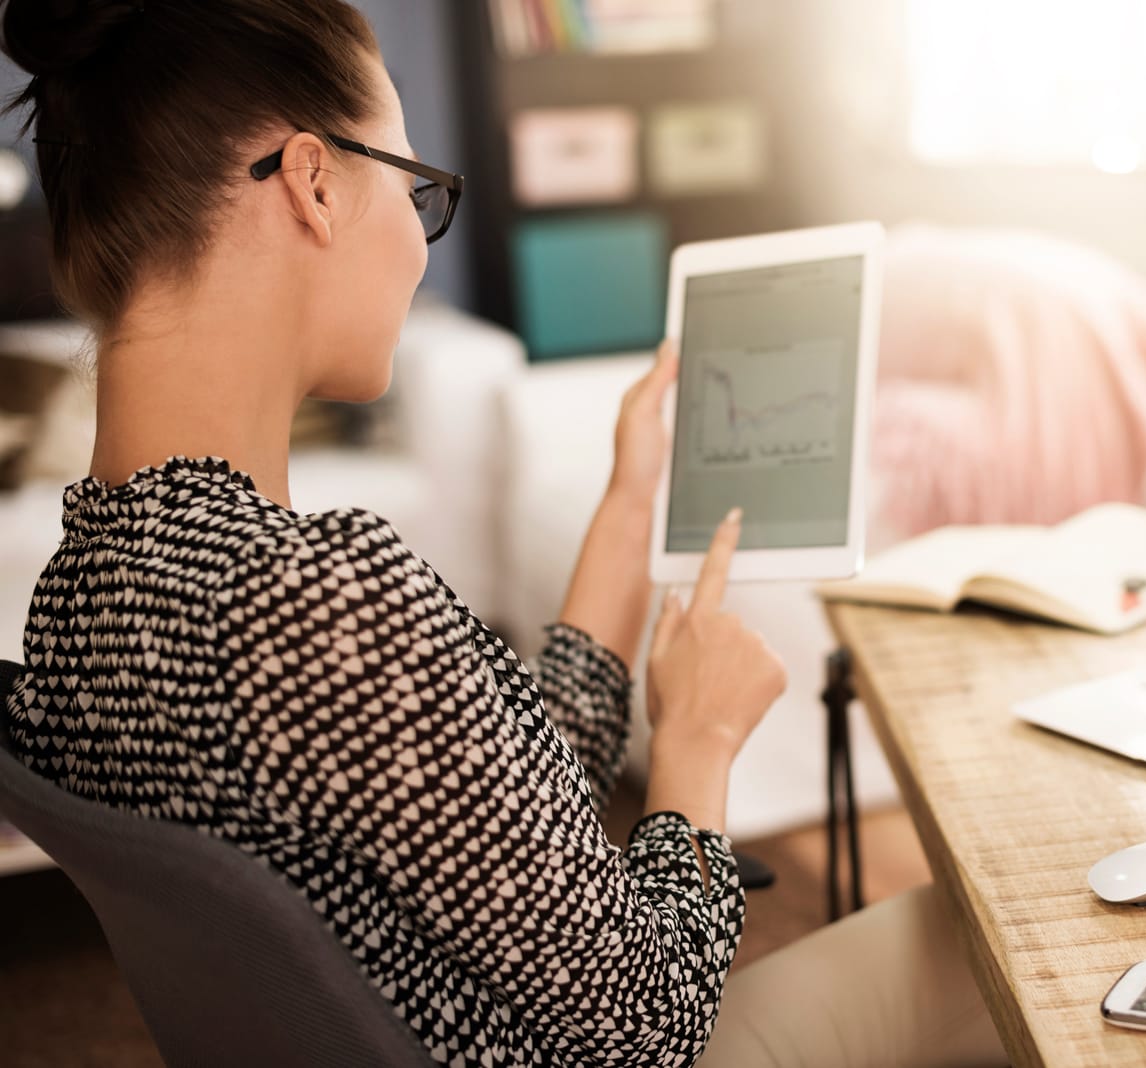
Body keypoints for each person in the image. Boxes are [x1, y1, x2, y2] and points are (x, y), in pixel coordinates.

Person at [0, 1, 1007, 1064]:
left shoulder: (86, 585)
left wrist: (629, 507)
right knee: (988, 933)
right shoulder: (313, 599)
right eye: (416, 188)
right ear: (315, 182)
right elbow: (647, 1021)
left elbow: (492, 822)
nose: (421, 248)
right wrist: (697, 746)